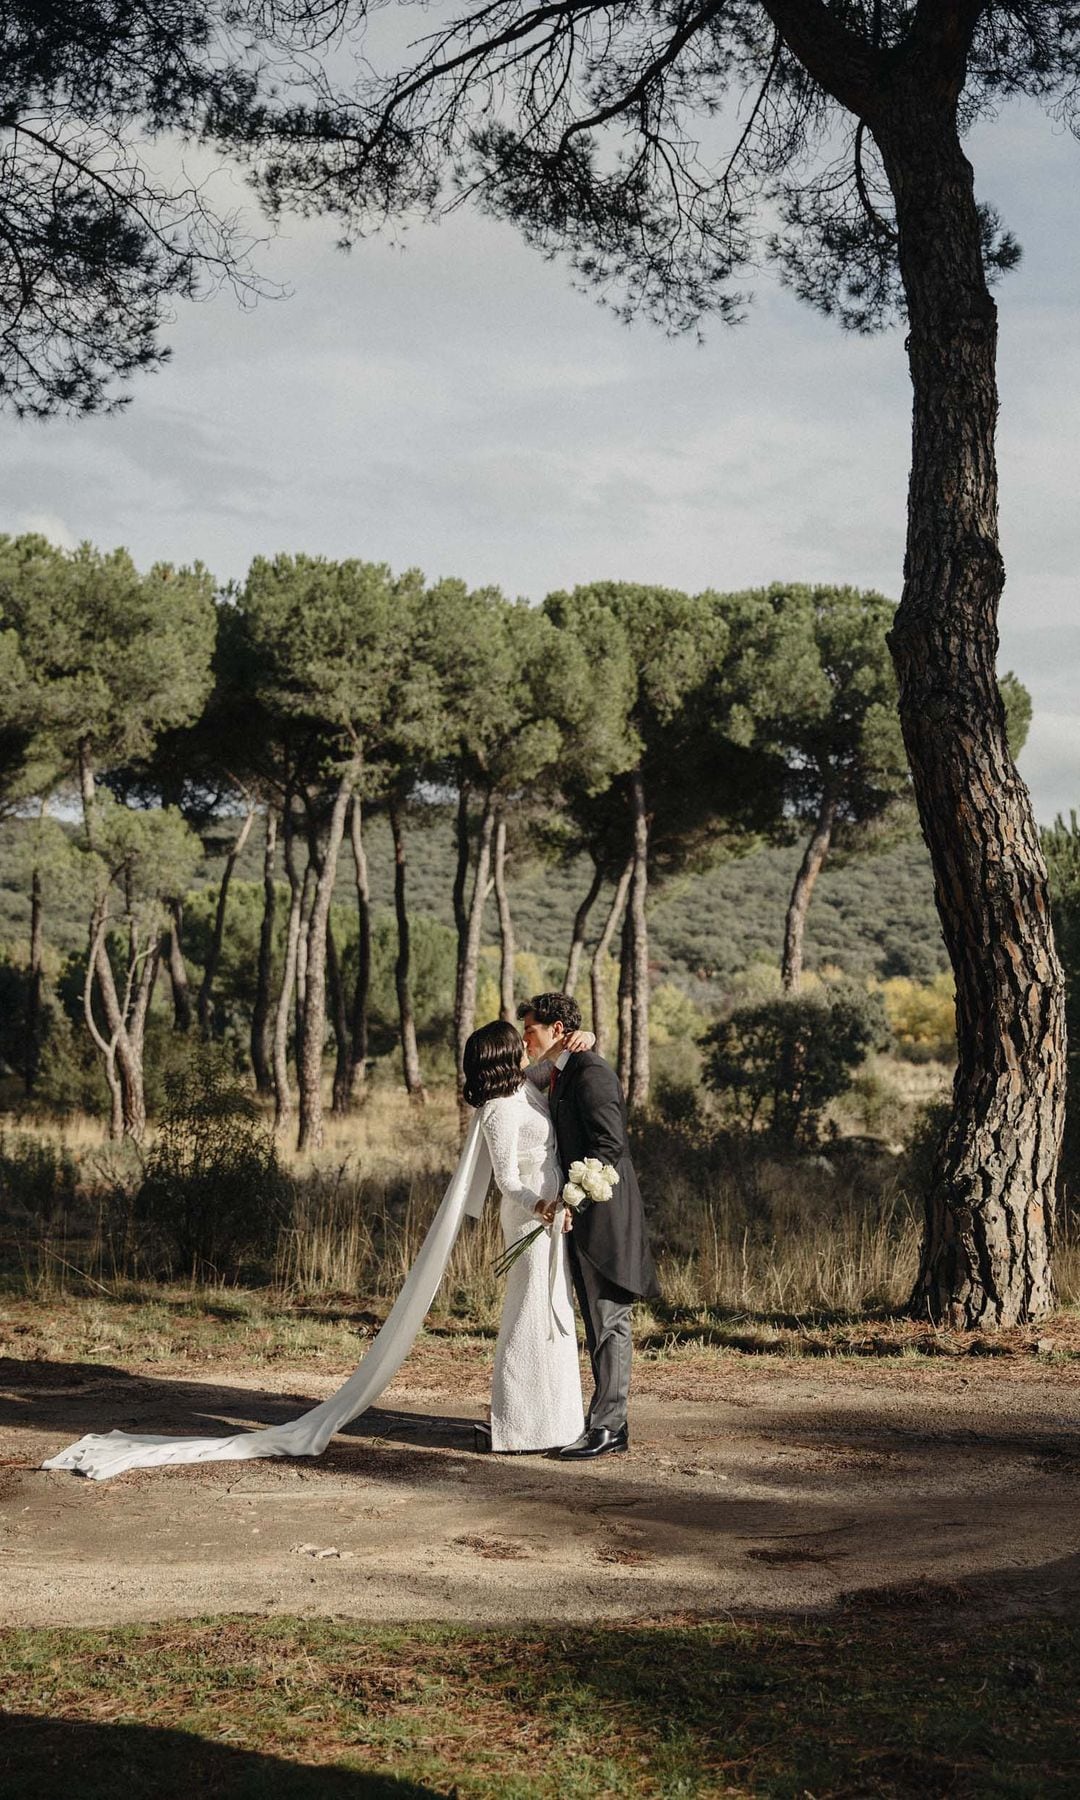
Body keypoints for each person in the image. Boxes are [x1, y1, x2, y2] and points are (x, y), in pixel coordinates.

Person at [518, 990, 660, 1460]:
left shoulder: (591, 1072)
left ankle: (609, 1428)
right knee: (599, 1326)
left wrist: (575, 1198)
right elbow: (521, 1076)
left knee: (611, 1322)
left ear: (557, 1029)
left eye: (532, 1028)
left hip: (605, 1216)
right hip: (580, 1219)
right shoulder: (560, 1071)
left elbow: (609, 1145)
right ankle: (605, 1421)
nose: (525, 1036)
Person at [464, 1018, 586, 1454]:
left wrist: (584, 1036)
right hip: (529, 1216)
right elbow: (507, 1179)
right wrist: (543, 1207)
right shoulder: (498, 1108)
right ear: (504, 1054)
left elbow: (556, 1055)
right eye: (518, 1044)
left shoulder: (524, 1086)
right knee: (529, 1313)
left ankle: (556, 1421)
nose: (525, 1047)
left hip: (553, 1215)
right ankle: (517, 1424)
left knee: (553, 1309)